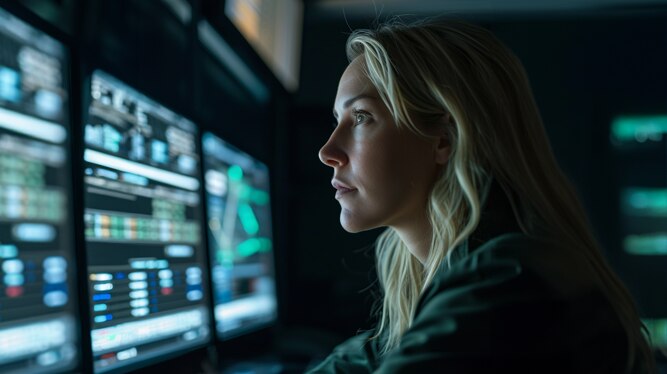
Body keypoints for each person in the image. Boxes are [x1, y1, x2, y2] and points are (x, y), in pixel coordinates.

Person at [311, 18, 656, 373]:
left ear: (444, 138)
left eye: (361, 117)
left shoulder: (508, 284)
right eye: (338, 119)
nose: (328, 150)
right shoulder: (477, 276)